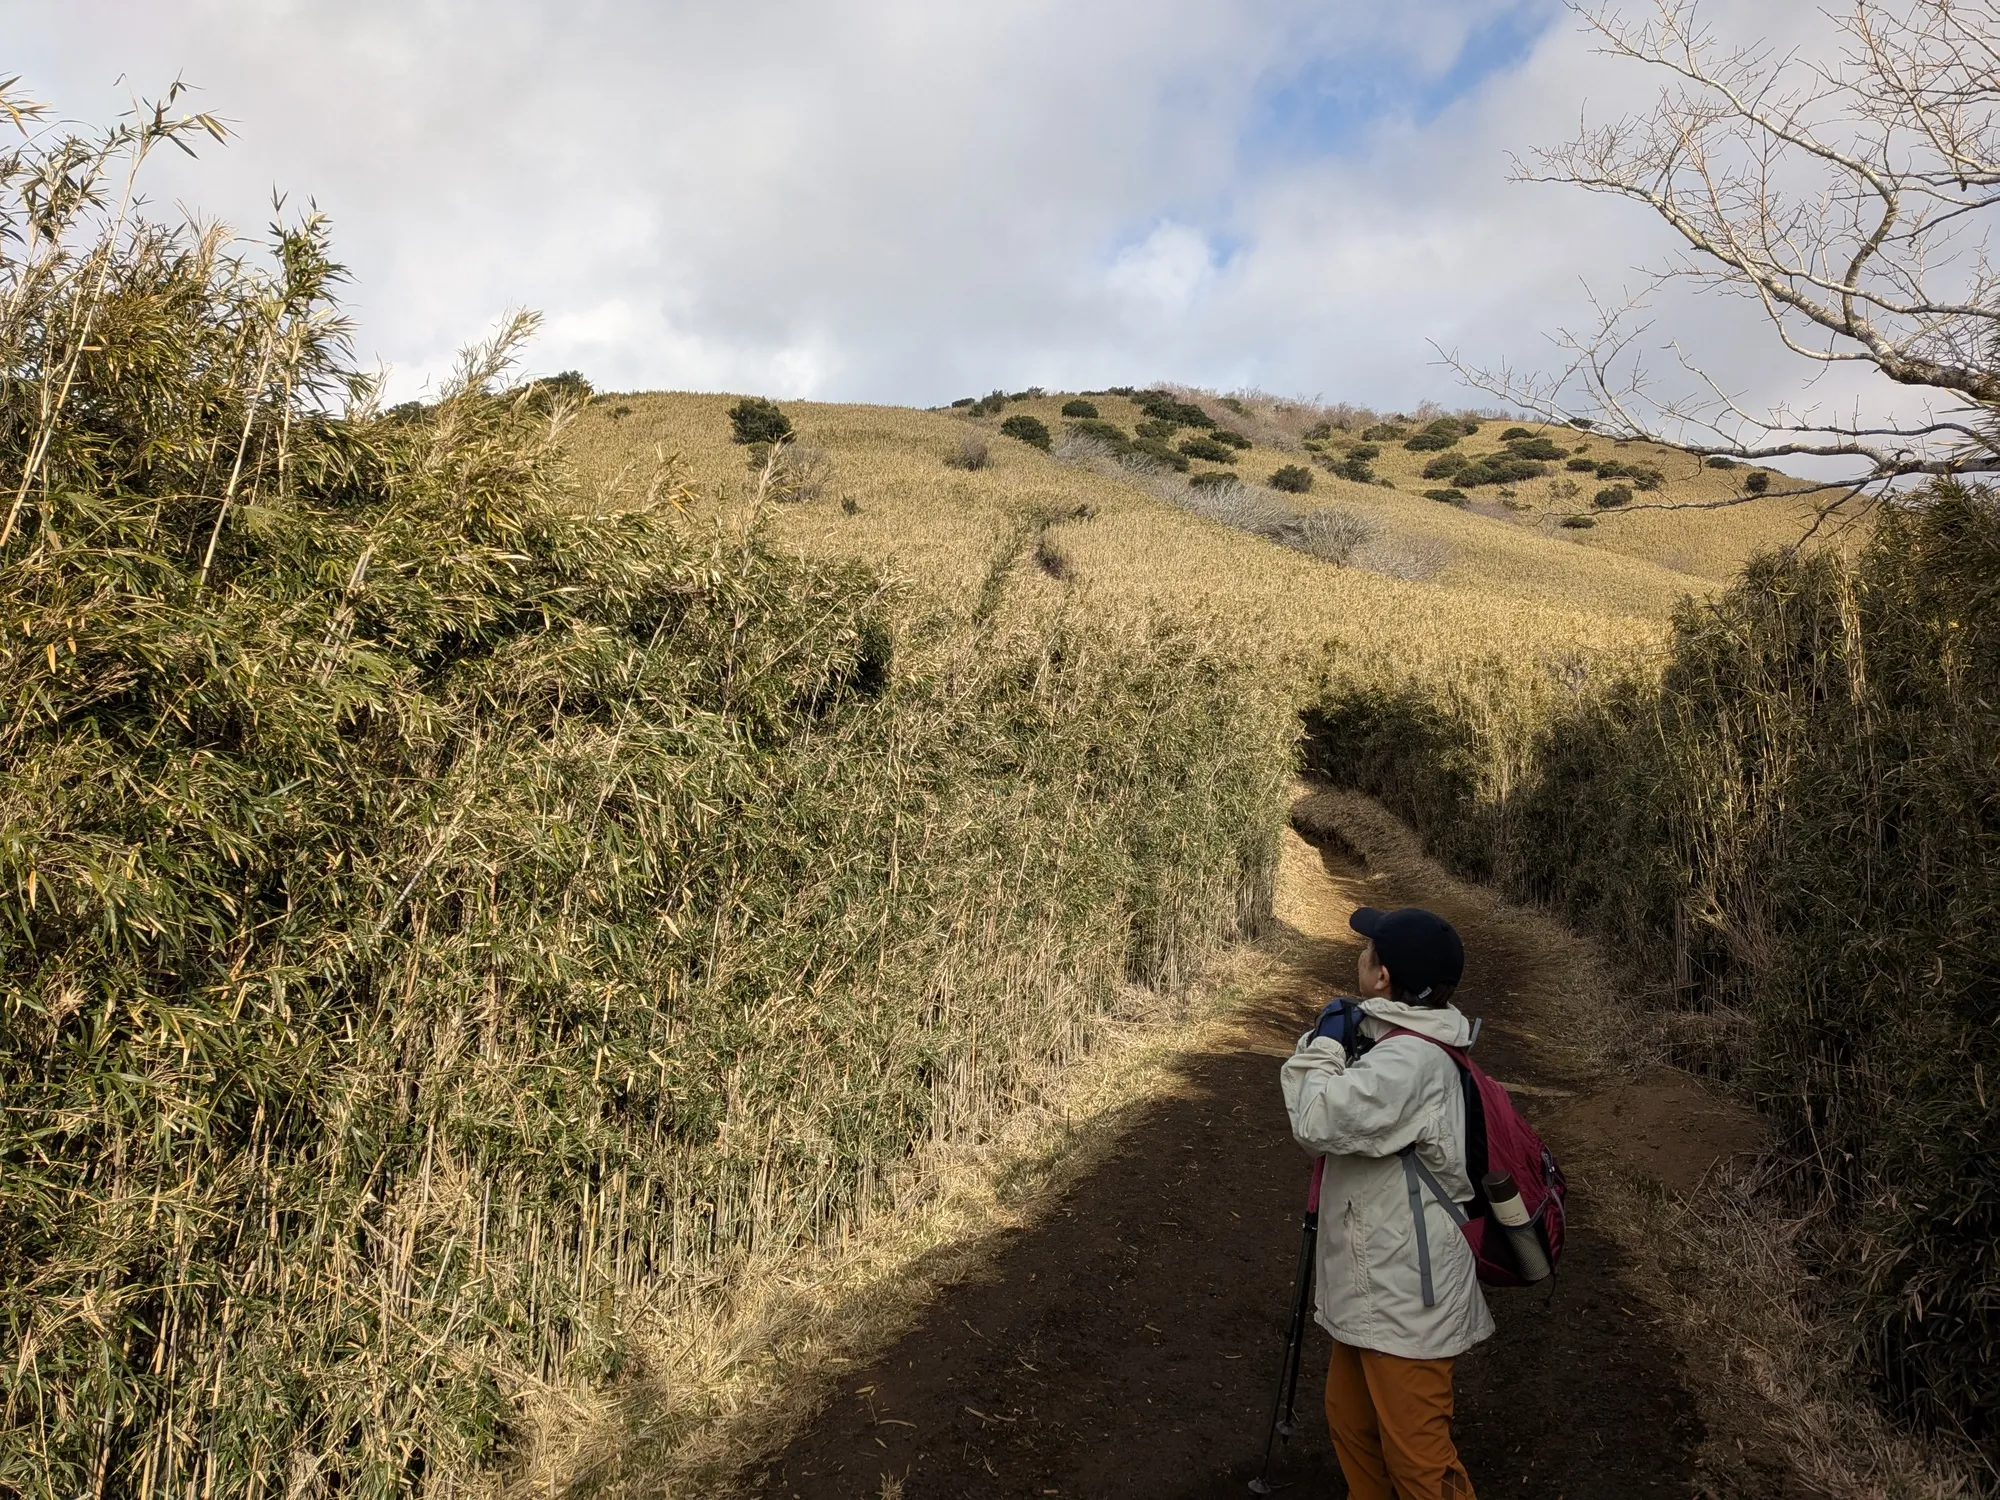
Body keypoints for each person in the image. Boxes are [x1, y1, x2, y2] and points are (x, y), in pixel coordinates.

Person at [1279, 905, 1491, 1500]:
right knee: (1353, 1425)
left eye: (1368, 949)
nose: (1360, 954)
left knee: (1420, 1462)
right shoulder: (1401, 1040)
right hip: (1379, 1279)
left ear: (1383, 978)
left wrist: (1322, 1044)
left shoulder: (1411, 1061)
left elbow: (1318, 1118)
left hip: (1406, 1294)